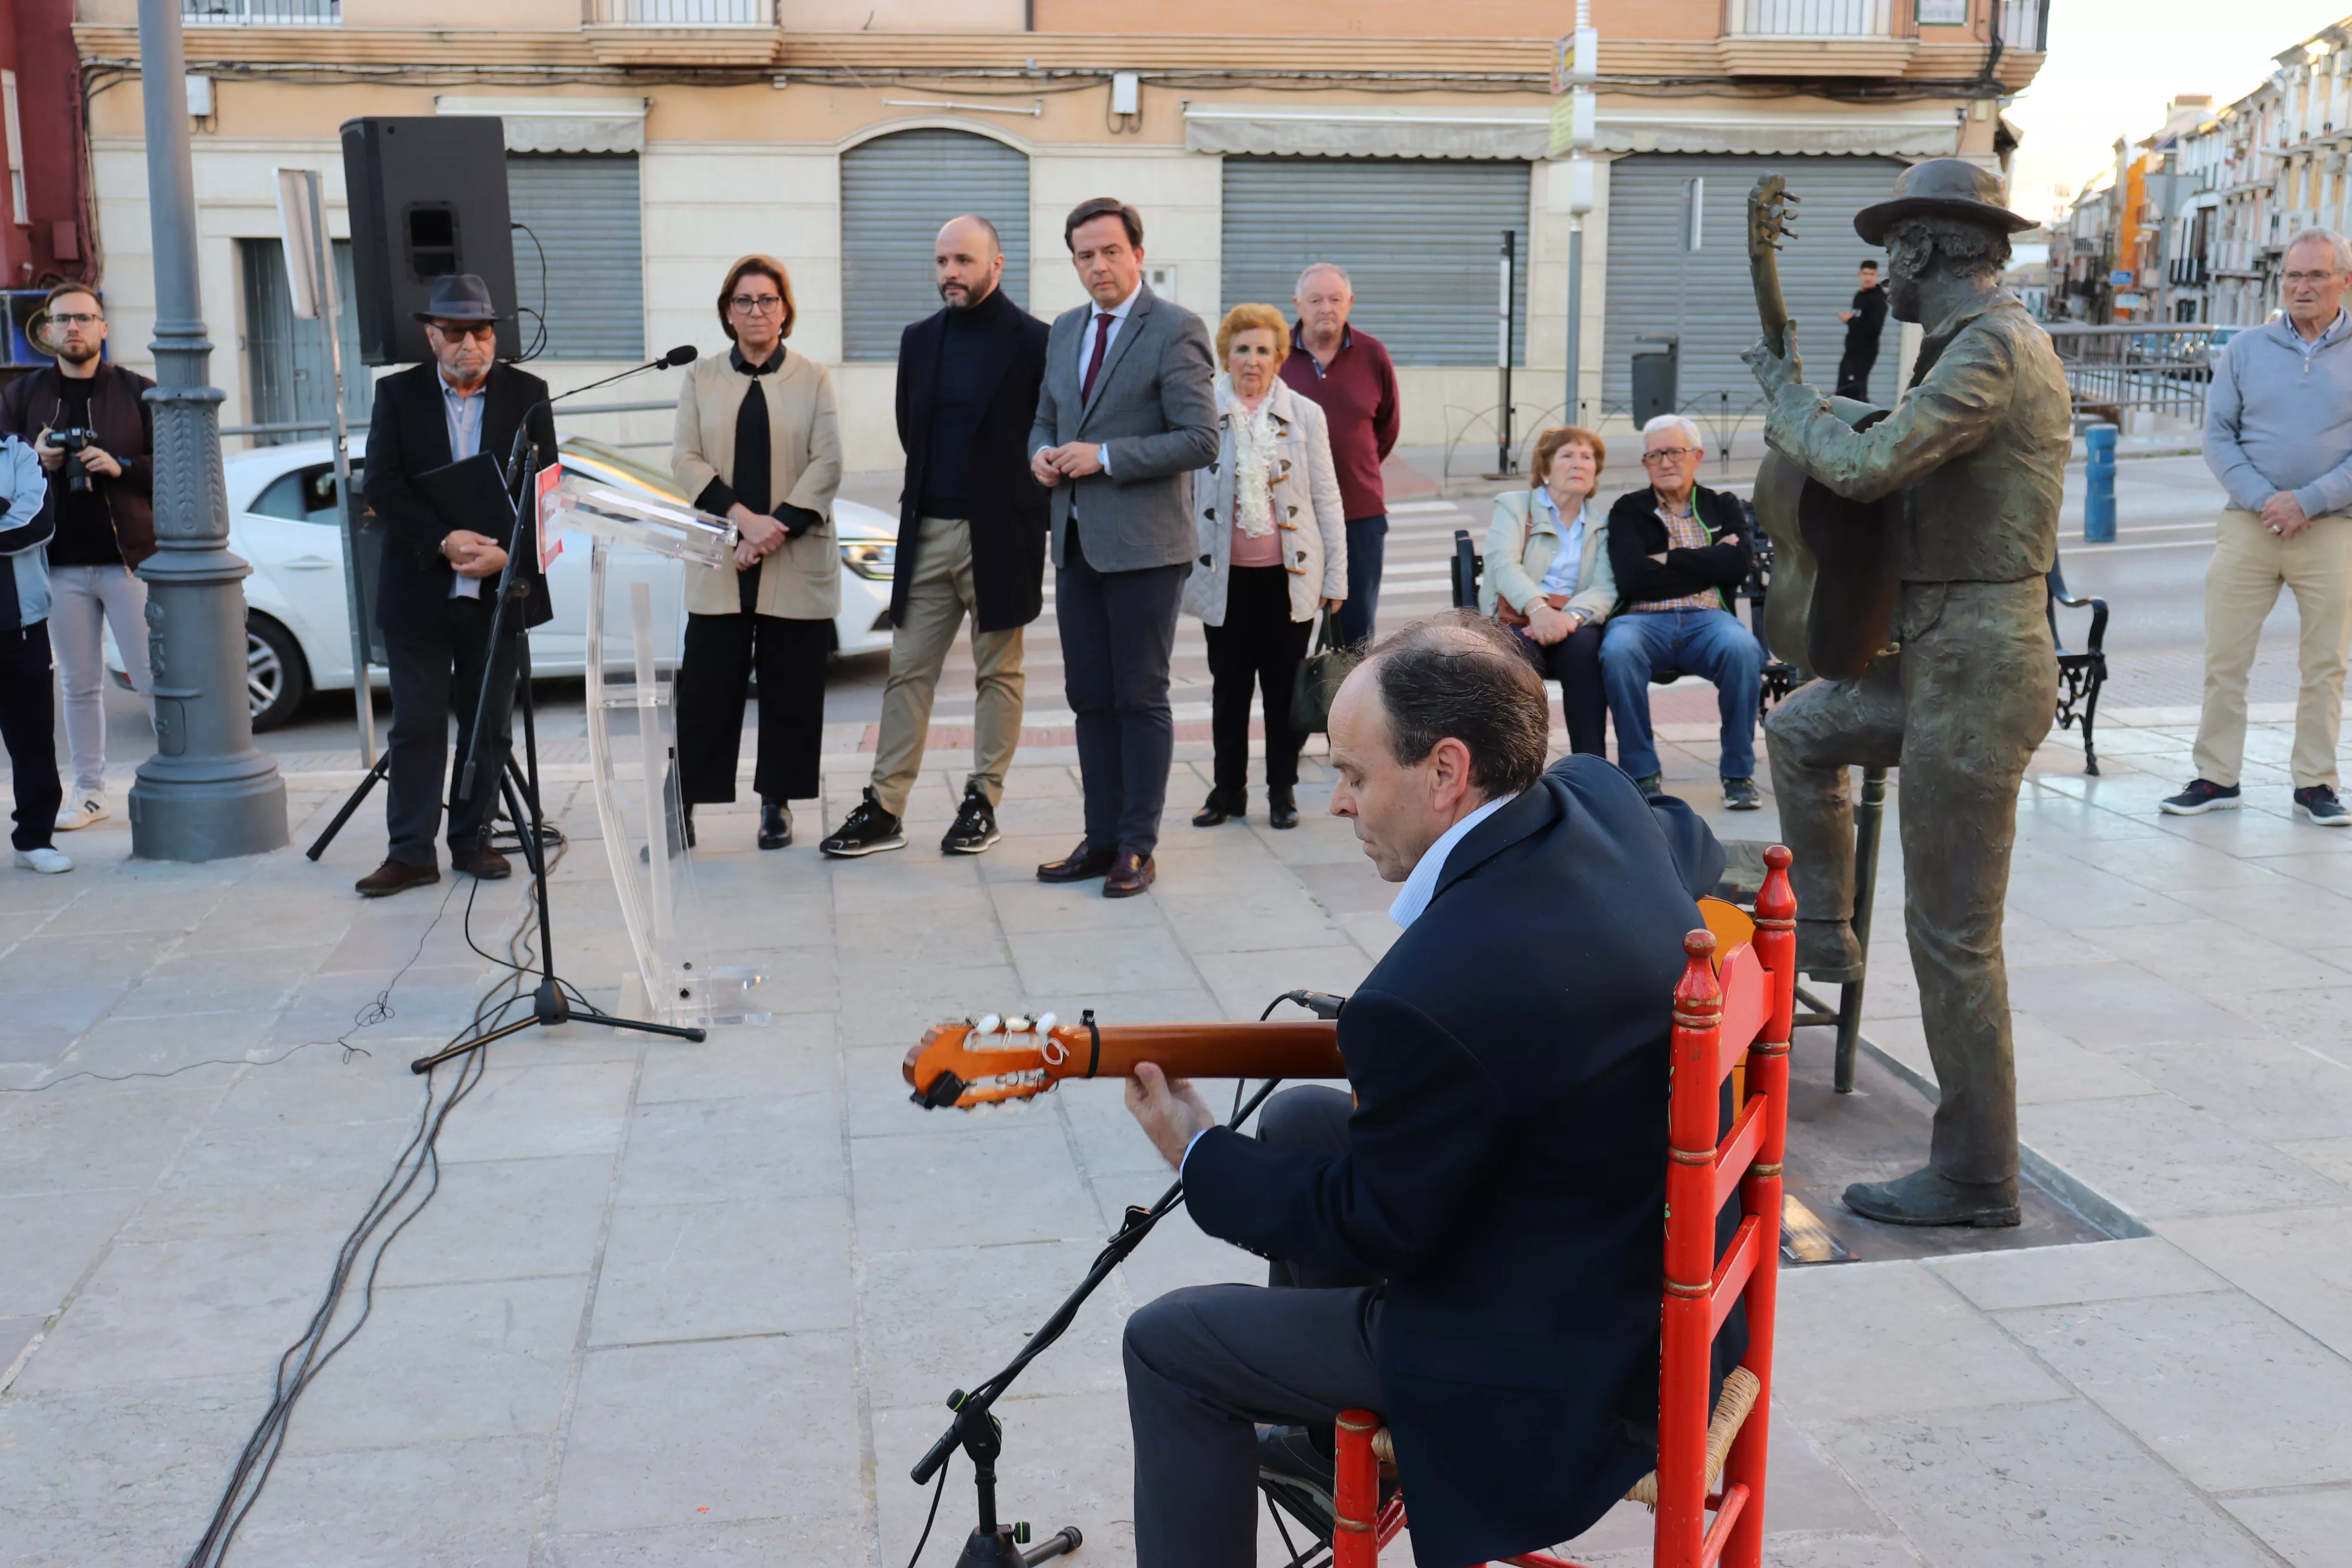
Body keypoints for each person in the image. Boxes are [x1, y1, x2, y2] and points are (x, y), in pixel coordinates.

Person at [1118, 615, 1735, 1568]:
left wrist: (1195, 1151)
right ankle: (1330, 1459)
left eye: (1355, 776)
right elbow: (1690, 844)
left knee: (1167, 1345)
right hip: (1641, 1276)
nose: (1338, 803)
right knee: (1293, 1119)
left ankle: (1348, 1450)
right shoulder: (1597, 798)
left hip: (1541, 1364)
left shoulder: (1422, 998)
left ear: (1446, 772)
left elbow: (1376, 1227)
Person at [1743, 156, 2069, 1227]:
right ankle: (1827, 936)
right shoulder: (1957, 344)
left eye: (1891, 254)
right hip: (1936, 655)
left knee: (1952, 937)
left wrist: (1785, 397)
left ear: (1927, 250)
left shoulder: (1987, 348)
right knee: (1799, 730)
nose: (1882, 275)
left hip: (1976, 669)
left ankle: (1975, 1176)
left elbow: (1866, 468)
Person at [821, 217, 1049, 858]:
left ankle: (983, 801)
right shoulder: (919, 339)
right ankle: (885, 808)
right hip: (927, 529)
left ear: (996, 265)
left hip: (1002, 532)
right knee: (907, 672)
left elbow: (1046, 429)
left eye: (964, 261)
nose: (950, 272)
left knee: (998, 672)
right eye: (943, 260)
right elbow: (908, 427)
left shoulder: (1036, 341)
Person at [1028, 197, 1218, 897]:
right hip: (1076, 541)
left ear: (1138, 253)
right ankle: (1100, 837)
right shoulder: (1066, 330)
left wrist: (1104, 456)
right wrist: (1042, 454)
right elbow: (1046, 417)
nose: (1098, 265)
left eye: (1111, 251)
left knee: (1140, 696)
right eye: (1085, 254)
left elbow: (1200, 439)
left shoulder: (1175, 329)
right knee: (1089, 698)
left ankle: (1137, 845)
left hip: (1145, 546)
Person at [355, 273, 556, 899]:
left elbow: (546, 490)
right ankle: (410, 852)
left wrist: (507, 556)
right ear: (431, 336)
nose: (471, 343)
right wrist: (443, 541)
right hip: (420, 585)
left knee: (489, 724)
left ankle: (473, 840)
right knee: (416, 724)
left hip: (498, 590)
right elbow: (382, 486)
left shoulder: (529, 394)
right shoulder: (398, 396)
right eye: (455, 332)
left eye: (482, 330)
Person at [2164, 226, 2352, 827]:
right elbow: (2217, 435)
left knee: (2325, 663)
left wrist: (2310, 501)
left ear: (2344, 280)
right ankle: (2217, 777)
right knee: (2226, 657)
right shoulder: (2245, 348)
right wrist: (2268, 499)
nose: (2302, 286)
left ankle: (2315, 785)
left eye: (2316, 275)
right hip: (2250, 523)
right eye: (2293, 276)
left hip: (2331, 527)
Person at [672, 254, 844, 851]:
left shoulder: (813, 376)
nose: (756, 311)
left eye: (767, 299)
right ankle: (684, 804)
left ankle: (778, 803)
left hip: (793, 555)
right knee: (704, 690)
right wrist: (744, 522)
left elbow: (828, 462)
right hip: (722, 555)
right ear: (727, 311)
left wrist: (774, 531)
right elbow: (687, 460)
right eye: (743, 301)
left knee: (791, 689)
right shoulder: (701, 378)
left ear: (786, 309)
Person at [1182, 302, 1347, 831]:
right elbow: (1184, 493)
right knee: (1228, 690)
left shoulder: (1305, 414)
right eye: (1241, 350)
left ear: (1279, 357)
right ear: (1225, 356)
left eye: (1263, 350)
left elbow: (1327, 498)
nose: (1252, 361)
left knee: (1282, 692)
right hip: (1222, 579)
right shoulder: (1203, 410)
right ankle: (1226, 791)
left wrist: (1336, 578)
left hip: (1288, 579)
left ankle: (1282, 791)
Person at [0, 284, 155, 834]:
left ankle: (176, 777)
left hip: (129, 560)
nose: (74, 328)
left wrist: (122, 467)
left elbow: (174, 468)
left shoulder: (139, 391)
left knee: (152, 675)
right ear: (47, 331)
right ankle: (90, 792)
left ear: (103, 328)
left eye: (85, 318)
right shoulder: (22, 397)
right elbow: (2, 474)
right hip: (54, 564)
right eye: (63, 319)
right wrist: (33, 459)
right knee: (79, 683)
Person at [1598, 414, 1763, 809]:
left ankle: (1738, 774)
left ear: (1697, 456)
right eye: (1654, 455)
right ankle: (1642, 773)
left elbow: (1738, 565)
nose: (1665, 462)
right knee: (1617, 652)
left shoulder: (1722, 505)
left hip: (1709, 621)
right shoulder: (1628, 510)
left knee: (1743, 650)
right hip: (1641, 621)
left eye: (1674, 452)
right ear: (1645, 464)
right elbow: (1633, 578)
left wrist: (1666, 559)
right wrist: (1709, 560)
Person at [1279, 263, 1400, 650]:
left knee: (1355, 634)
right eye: (1315, 300)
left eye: (1335, 299)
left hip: (1359, 517)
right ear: (1298, 304)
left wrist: (1352, 468)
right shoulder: (1275, 353)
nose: (1325, 308)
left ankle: (1350, 711)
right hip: (1290, 517)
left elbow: (1387, 427)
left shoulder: (1373, 354)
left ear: (1350, 303)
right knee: (1287, 631)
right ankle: (1297, 711)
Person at [1480, 424, 1619, 758]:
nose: (1579, 464)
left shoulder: (1601, 524)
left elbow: (1605, 587)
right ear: (1545, 469)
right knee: (1518, 664)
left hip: (1572, 622)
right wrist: (1538, 609)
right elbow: (1503, 565)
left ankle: (1590, 768)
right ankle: (1518, 766)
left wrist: (1568, 619)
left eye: (1587, 458)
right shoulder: (1514, 506)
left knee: (1587, 654)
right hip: (1518, 617)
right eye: (1567, 455)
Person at [0, 432, 63, 871]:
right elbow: (13, 518)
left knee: (33, 739)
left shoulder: (18, 452)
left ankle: (35, 839)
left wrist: (12, 513)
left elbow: (36, 522)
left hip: (20, 621)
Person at [1835, 259, 1887, 402]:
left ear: (1877, 276)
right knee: (1843, 390)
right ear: (1860, 275)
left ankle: (1863, 422)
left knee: (1855, 392)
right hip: (1852, 351)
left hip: (1864, 353)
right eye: (1865, 274)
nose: (1868, 278)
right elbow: (1859, 323)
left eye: (1872, 274)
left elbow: (1874, 328)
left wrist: (1850, 321)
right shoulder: (1860, 296)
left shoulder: (1877, 299)